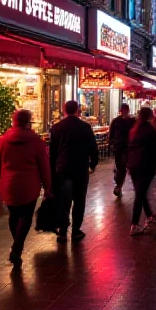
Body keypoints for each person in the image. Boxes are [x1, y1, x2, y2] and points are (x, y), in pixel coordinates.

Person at [0, 110, 52, 265]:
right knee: (25, 217)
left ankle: (16, 246)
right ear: (28, 121)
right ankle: (17, 248)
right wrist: (48, 187)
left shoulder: (3, 141)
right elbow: (44, 167)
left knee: (13, 215)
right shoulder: (36, 141)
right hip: (29, 185)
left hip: (8, 185)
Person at [49, 100, 98, 243]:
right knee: (79, 200)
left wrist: (52, 171)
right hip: (80, 168)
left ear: (64, 111)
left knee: (63, 200)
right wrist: (93, 164)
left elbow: (52, 152)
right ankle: (76, 231)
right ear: (78, 110)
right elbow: (93, 148)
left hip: (62, 169)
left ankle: (62, 232)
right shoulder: (85, 127)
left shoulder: (57, 128)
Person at [127, 107, 156, 235]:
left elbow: (129, 148)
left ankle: (149, 215)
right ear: (150, 116)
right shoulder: (151, 131)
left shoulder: (133, 130)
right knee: (140, 194)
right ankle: (135, 224)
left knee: (140, 191)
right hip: (146, 165)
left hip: (133, 165)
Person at [110, 104, 136, 197]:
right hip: (123, 148)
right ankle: (119, 185)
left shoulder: (119, 121)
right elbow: (111, 135)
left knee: (121, 167)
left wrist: (112, 143)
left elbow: (111, 134)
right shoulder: (131, 121)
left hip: (124, 148)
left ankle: (118, 186)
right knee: (122, 167)